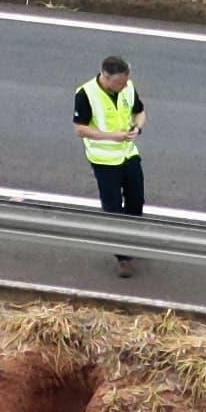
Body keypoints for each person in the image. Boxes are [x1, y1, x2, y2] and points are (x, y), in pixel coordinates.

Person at [72, 54, 144, 275]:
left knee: (136, 199)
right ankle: (123, 256)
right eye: (119, 82)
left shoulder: (128, 87)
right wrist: (112, 136)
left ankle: (131, 238)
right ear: (105, 76)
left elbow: (139, 112)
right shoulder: (86, 94)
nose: (123, 86)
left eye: (125, 81)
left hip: (128, 154)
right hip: (104, 160)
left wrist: (137, 128)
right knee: (113, 208)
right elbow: (80, 129)